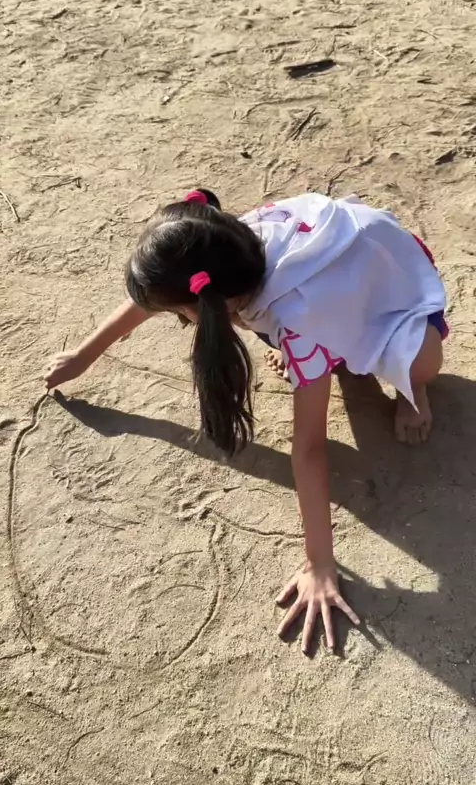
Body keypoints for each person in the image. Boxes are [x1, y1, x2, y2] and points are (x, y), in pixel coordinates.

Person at [45, 188, 447, 653]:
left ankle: (410, 386)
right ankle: (331, 353)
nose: (177, 319)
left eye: (178, 313)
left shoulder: (296, 320)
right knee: (304, 344)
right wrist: (85, 354)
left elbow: (309, 449)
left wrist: (319, 564)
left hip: (394, 289)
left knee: (420, 366)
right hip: (337, 278)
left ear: (204, 300)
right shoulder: (220, 246)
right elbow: (157, 292)